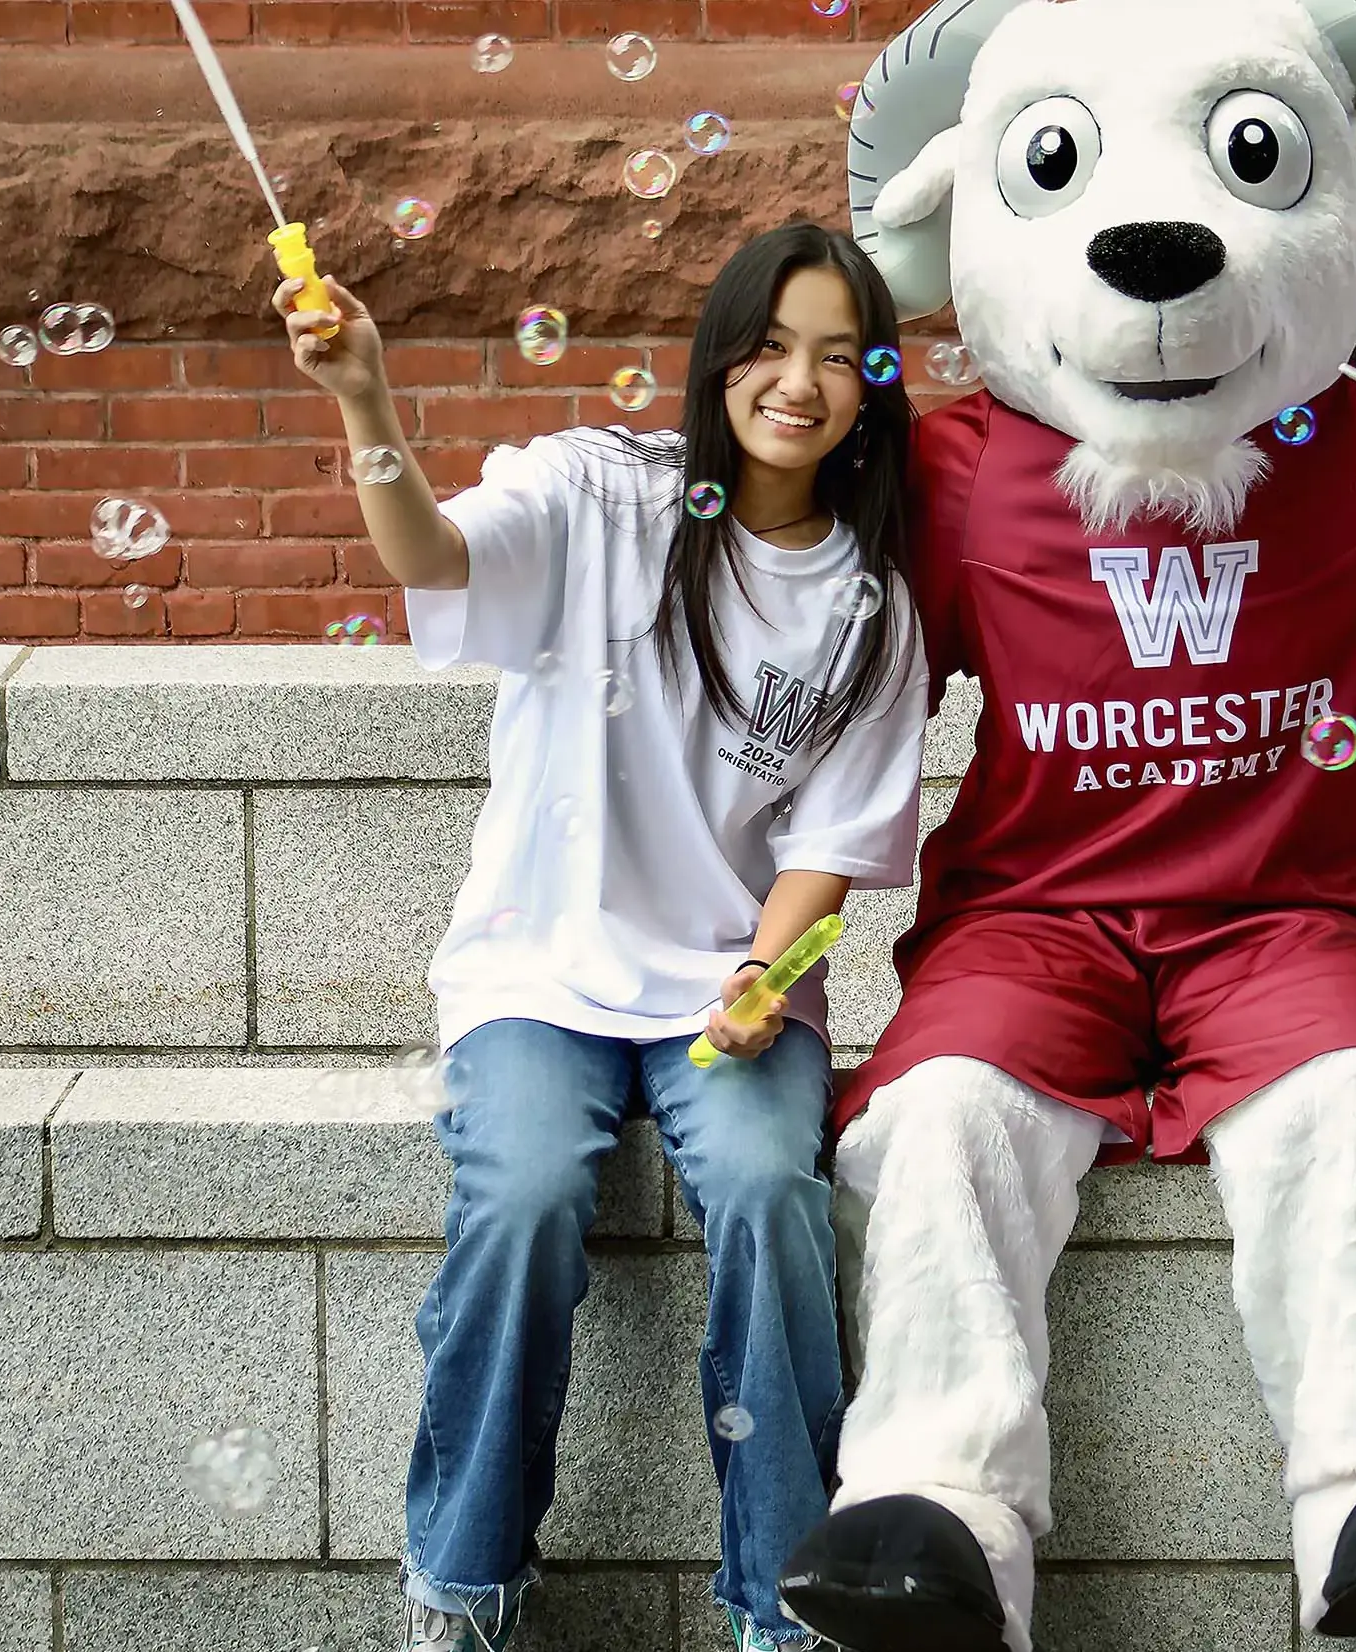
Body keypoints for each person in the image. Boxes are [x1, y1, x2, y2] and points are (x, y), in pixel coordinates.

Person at [276, 218, 929, 1652]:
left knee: (768, 1190)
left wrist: (770, 975)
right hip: (538, 967)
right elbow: (432, 551)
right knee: (520, 1195)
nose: (799, 384)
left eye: (836, 356)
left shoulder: (876, 604)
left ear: (873, 386)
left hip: (730, 986)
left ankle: (782, 1602)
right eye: (767, 347)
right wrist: (365, 399)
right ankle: (463, 1583)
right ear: (718, 358)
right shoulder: (593, 491)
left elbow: (827, 857)